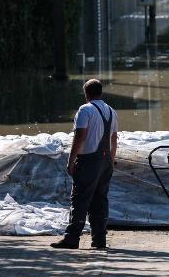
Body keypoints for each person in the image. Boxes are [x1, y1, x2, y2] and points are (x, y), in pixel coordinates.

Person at [51, 79, 118, 250]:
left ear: (86, 93)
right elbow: (113, 140)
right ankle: (99, 240)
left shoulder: (85, 110)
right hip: (105, 162)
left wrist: (71, 160)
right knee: (100, 201)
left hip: (88, 161)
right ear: (101, 93)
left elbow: (80, 137)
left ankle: (72, 238)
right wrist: (110, 162)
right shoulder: (111, 111)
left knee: (80, 199)